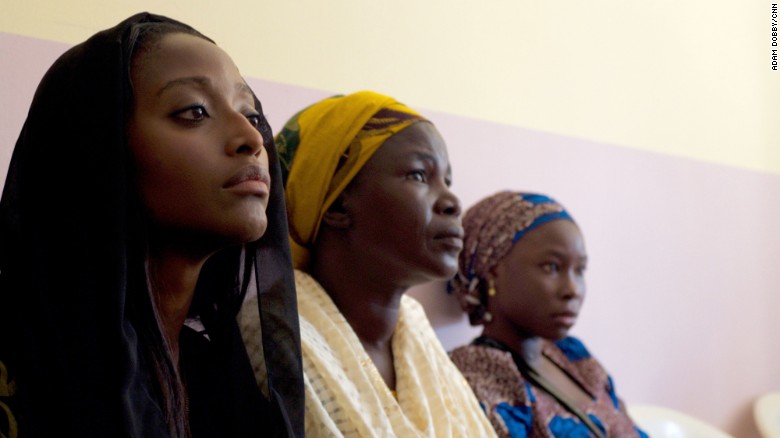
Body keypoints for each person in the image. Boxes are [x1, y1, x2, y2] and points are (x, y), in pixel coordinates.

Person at [0, 13, 303, 438]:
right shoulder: (23, 365)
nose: (252, 140)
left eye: (252, 116)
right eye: (195, 111)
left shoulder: (218, 377)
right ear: (99, 153)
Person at [240, 90, 495, 437]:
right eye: (419, 175)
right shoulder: (274, 338)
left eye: (446, 180)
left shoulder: (416, 331)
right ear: (336, 205)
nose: (452, 201)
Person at [449, 191, 647, 438]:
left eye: (580, 270)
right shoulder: (476, 376)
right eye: (552, 267)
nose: (573, 290)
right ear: (492, 271)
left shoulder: (573, 357)